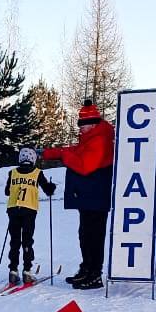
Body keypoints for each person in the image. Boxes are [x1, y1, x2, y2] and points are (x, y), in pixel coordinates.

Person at [41, 98, 115, 290]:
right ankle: (87, 269)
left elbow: (85, 166)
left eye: (83, 125)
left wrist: (64, 156)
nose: (80, 129)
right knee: (85, 234)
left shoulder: (100, 140)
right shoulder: (91, 138)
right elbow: (73, 150)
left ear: (93, 124)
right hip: (89, 196)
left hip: (96, 196)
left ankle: (94, 274)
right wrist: (48, 153)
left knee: (93, 235)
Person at [3, 147, 56, 284]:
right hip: (29, 210)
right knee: (27, 240)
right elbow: (48, 190)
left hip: (13, 209)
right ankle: (27, 271)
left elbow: (7, 192)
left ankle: (13, 271)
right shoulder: (37, 173)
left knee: (14, 240)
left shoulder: (12, 172)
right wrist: (51, 187)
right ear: (33, 159)